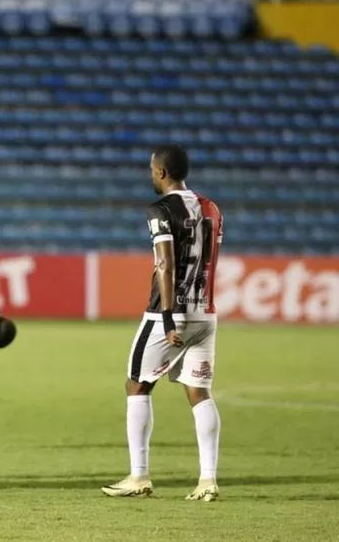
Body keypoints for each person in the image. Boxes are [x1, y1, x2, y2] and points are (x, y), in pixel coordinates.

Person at [102, 145, 223, 502]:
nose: (151, 175)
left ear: (162, 173)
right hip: (206, 312)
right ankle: (208, 480)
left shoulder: (160, 210)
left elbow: (166, 264)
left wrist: (169, 316)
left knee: (137, 385)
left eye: (152, 170)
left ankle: (139, 476)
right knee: (199, 393)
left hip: (167, 313)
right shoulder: (212, 208)